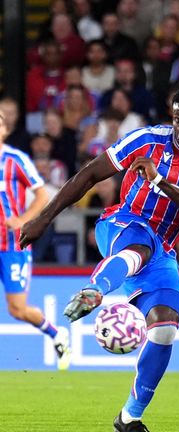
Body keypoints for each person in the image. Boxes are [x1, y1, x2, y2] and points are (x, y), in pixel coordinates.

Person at [19, 86, 179, 432]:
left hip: (163, 249)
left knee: (165, 328)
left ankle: (129, 417)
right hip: (123, 223)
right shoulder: (147, 139)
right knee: (140, 247)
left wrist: (160, 181)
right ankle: (95, 290)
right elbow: (90, 173)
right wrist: (44, 219)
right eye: (177, 119)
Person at [0, 109, 70, 370]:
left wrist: (23, 221)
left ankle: (56, 334)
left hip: (12, 246)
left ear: (5, 130)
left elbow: (42, 195)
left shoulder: (15, 160)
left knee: (17, 309)